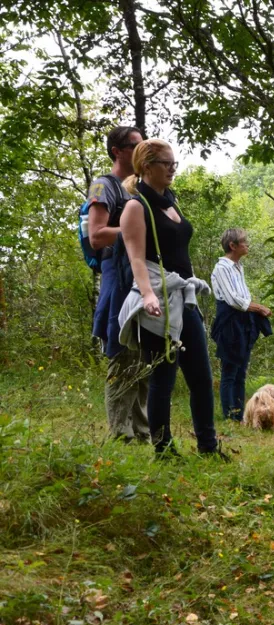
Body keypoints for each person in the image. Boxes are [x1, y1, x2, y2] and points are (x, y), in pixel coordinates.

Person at [116, 139, 226, 460]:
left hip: (183, 298)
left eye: (174, 163)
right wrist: (148, 295)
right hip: (159, 303)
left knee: (202, 379)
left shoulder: (171, 201)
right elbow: (136, 259)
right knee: (163, 380)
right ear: (146, 166)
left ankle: (208, 446)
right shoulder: (136, 207)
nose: (172, 169)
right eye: (166, 163)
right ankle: (163, 451)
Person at [89, 125, 150, 443]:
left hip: (146, 278)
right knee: (121, 353)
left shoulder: (141, 188)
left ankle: (142, 431)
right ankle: (120, 433)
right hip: (119, 277)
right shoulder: (104, 186)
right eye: (135, 145)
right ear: (118, 151)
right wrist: (134, 227)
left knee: (145, 356)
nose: (142, 150)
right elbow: (96, 237)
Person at [210, 228, 273, 421]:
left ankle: (240, 414)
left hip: (243, 321)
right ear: (233, 245)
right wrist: (259, 308)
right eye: (244, 241)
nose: (247, 244)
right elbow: (233, 300)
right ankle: (230, 415)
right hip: (229, 321)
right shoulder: (222, 268)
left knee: (241, 370)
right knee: (230, 369)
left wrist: (252, 310)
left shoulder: (238, 267)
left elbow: (243, 296)